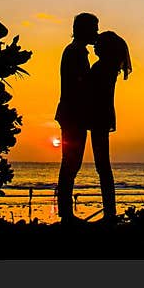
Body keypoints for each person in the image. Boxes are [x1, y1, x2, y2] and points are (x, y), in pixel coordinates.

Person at [55, 13, 99, 223]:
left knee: (71, 163)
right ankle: (65, 214)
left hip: (73, 114)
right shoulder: (75, 53)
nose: (97, 32)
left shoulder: (77, 51)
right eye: (94, 28)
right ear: (84, 29)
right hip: (73, 115)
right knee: (70, 163)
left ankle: (65, 213)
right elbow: (79, 85)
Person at [84, 30, 132, 223]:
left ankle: (110, 212)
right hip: (101, 116)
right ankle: (109, 210)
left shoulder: (103, 67)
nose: (95, 45)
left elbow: (90, 88)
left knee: (102, 164)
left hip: (99, 116)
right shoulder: (109, 67)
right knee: (103, 164)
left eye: (99, 43)